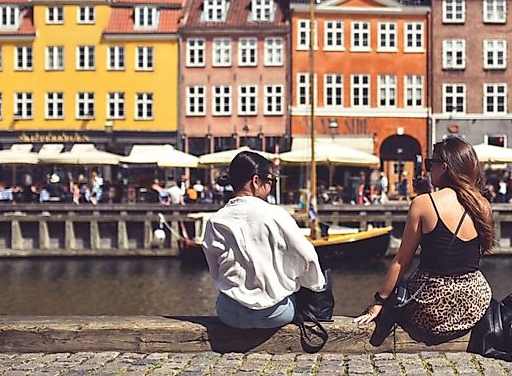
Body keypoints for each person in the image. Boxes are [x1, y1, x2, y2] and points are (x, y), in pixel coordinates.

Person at [355, 137, 493, 342]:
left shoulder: (423, 204)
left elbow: (402, 260)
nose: (428, 169)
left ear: (444, 167)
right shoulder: (482, 204)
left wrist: (379, 301)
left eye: (431, 163)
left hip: (433, 306)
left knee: (401, 290)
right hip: (474, 301)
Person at [202, 151, 325, 329]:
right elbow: (308, 256)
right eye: (271, 181)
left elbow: (215, 271)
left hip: (230, 313)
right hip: (275, 314)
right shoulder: (275, 215)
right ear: (255, 181)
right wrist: (314, 285)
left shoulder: (215, 220)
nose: (272, 185)